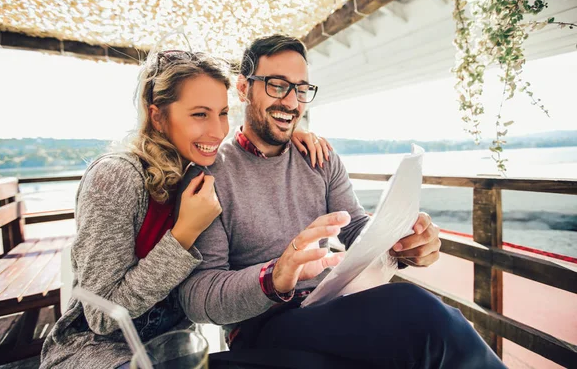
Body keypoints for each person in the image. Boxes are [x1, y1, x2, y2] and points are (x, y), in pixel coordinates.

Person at [178, 35, 507, 368]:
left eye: (301, 89)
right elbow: (201, 296)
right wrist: (276, 275)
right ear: (244, 88)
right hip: (264, 327)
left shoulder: (319, 159)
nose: (292, 103)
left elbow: (356, 228)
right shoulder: (209, 175)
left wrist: (401, 239)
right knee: (420, 312)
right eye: (277, 85)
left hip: (332, 309)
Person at [39, 48, 330, 369]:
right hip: (97, 351)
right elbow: (102, 317)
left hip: (175, 348)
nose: (217, 130)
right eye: (199, 114)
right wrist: (183, 235)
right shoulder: (117, 176)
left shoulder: (202, 171)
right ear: (158, 116)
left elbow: (249, 144)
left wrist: (288, 137)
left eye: (222, 113)